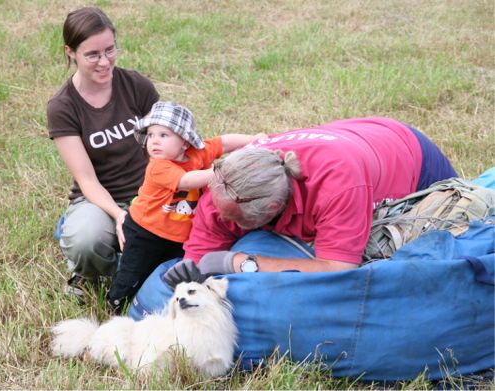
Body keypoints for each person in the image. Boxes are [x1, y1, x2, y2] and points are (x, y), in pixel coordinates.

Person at [163, 117, 458, 285]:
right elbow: (201, 252)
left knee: (460, 239)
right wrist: (191, 271)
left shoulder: (338, 187)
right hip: (357, 135)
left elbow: (339, 269)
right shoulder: (227, 181)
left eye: (234, 219)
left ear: (270, 211)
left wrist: (242, 262)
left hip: (408, 155)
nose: (221, 219)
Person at [106, 101, 262, 313]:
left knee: (169, 271)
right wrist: (226, 171)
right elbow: (188, 181)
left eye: (164, 135)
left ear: (184, 141)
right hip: (145, 232)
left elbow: (223, 143)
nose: (154, 141)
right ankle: (116, 303)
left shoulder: (197, 153)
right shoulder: (158, 167)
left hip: (178, 236)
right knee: (134, 273)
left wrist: (253, 141)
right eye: (150, 135)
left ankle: (160, 303)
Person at [46, 6, 159, 297]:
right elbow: (86, 180)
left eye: (110, 50)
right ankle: (92, 265)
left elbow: (165, 145)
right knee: (85, 240)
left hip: (149, 192)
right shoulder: (63, 107)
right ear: (70, 52)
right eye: (93, 54)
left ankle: (126, 256)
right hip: (98, 200)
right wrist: (121, 217)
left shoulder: (136, 86)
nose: (104, 62)